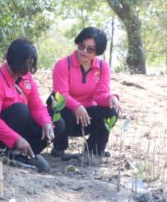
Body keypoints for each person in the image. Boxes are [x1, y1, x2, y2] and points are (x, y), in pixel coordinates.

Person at [0, 38, 53, 172]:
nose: (28, 67)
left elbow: (37, 106)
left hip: (19, 131)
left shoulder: (28, 78)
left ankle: (21, 155)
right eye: (26, 63)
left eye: (30, 63)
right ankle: (2, 152)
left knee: (56, 124)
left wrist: (46, 123)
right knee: (20, 110)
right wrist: (16, 139)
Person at [50, 27, 120, 163]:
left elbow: (101, 94)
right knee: (57, 106)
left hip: (88, 118)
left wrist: (111, 98)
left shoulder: (103, 66)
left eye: (90, 49)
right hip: (67, 116)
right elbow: (61, 94)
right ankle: (59, 148)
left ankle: (94, 150)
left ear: (97, 51)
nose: (84, 51)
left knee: (111, 110)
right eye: (81, 46)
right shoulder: (63, 64)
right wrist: (77, 107)